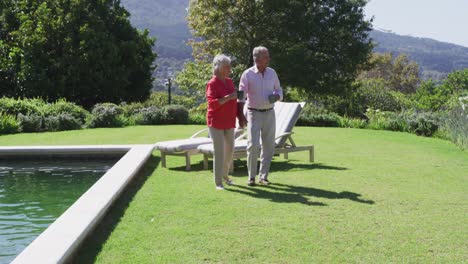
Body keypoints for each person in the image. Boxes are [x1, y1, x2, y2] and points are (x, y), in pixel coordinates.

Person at [238, 46, 283, 186]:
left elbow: (279, 89)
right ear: (257, 59)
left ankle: (263, 177)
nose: (269, 59)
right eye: (266, 56)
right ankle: (251, 177)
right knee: (253, 145)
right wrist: (240, 115)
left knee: (268, 146)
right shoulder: (247, 74)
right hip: (253, 113)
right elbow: (241, 96)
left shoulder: (272, 73)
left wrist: (277, 97)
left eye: (268, 56)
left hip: (270, 112)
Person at [206, 54, 238, 190]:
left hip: (229, 121)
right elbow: (212, 104)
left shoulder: (229, 82)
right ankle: (218, 182)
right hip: (216, 122)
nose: (230, 69)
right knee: (219, 152)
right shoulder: (212, 83)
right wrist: (228, 97)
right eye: (227, 67)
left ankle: (225, 175)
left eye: (230, 67)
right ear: (219, 68)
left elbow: (234, 99)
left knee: (230, 150)